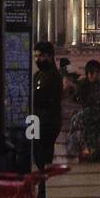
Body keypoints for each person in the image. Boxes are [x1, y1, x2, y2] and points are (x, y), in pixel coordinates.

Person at [33, 41, 64, 170]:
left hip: (47, 121)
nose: (37, 59)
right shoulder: (38, 75)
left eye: (40, 56)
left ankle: (43, 186)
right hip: (36, 120)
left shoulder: (54, 76)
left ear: (50, 56)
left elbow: (46, 98)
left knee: (43, 154)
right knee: (35, 153)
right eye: (35, 56)